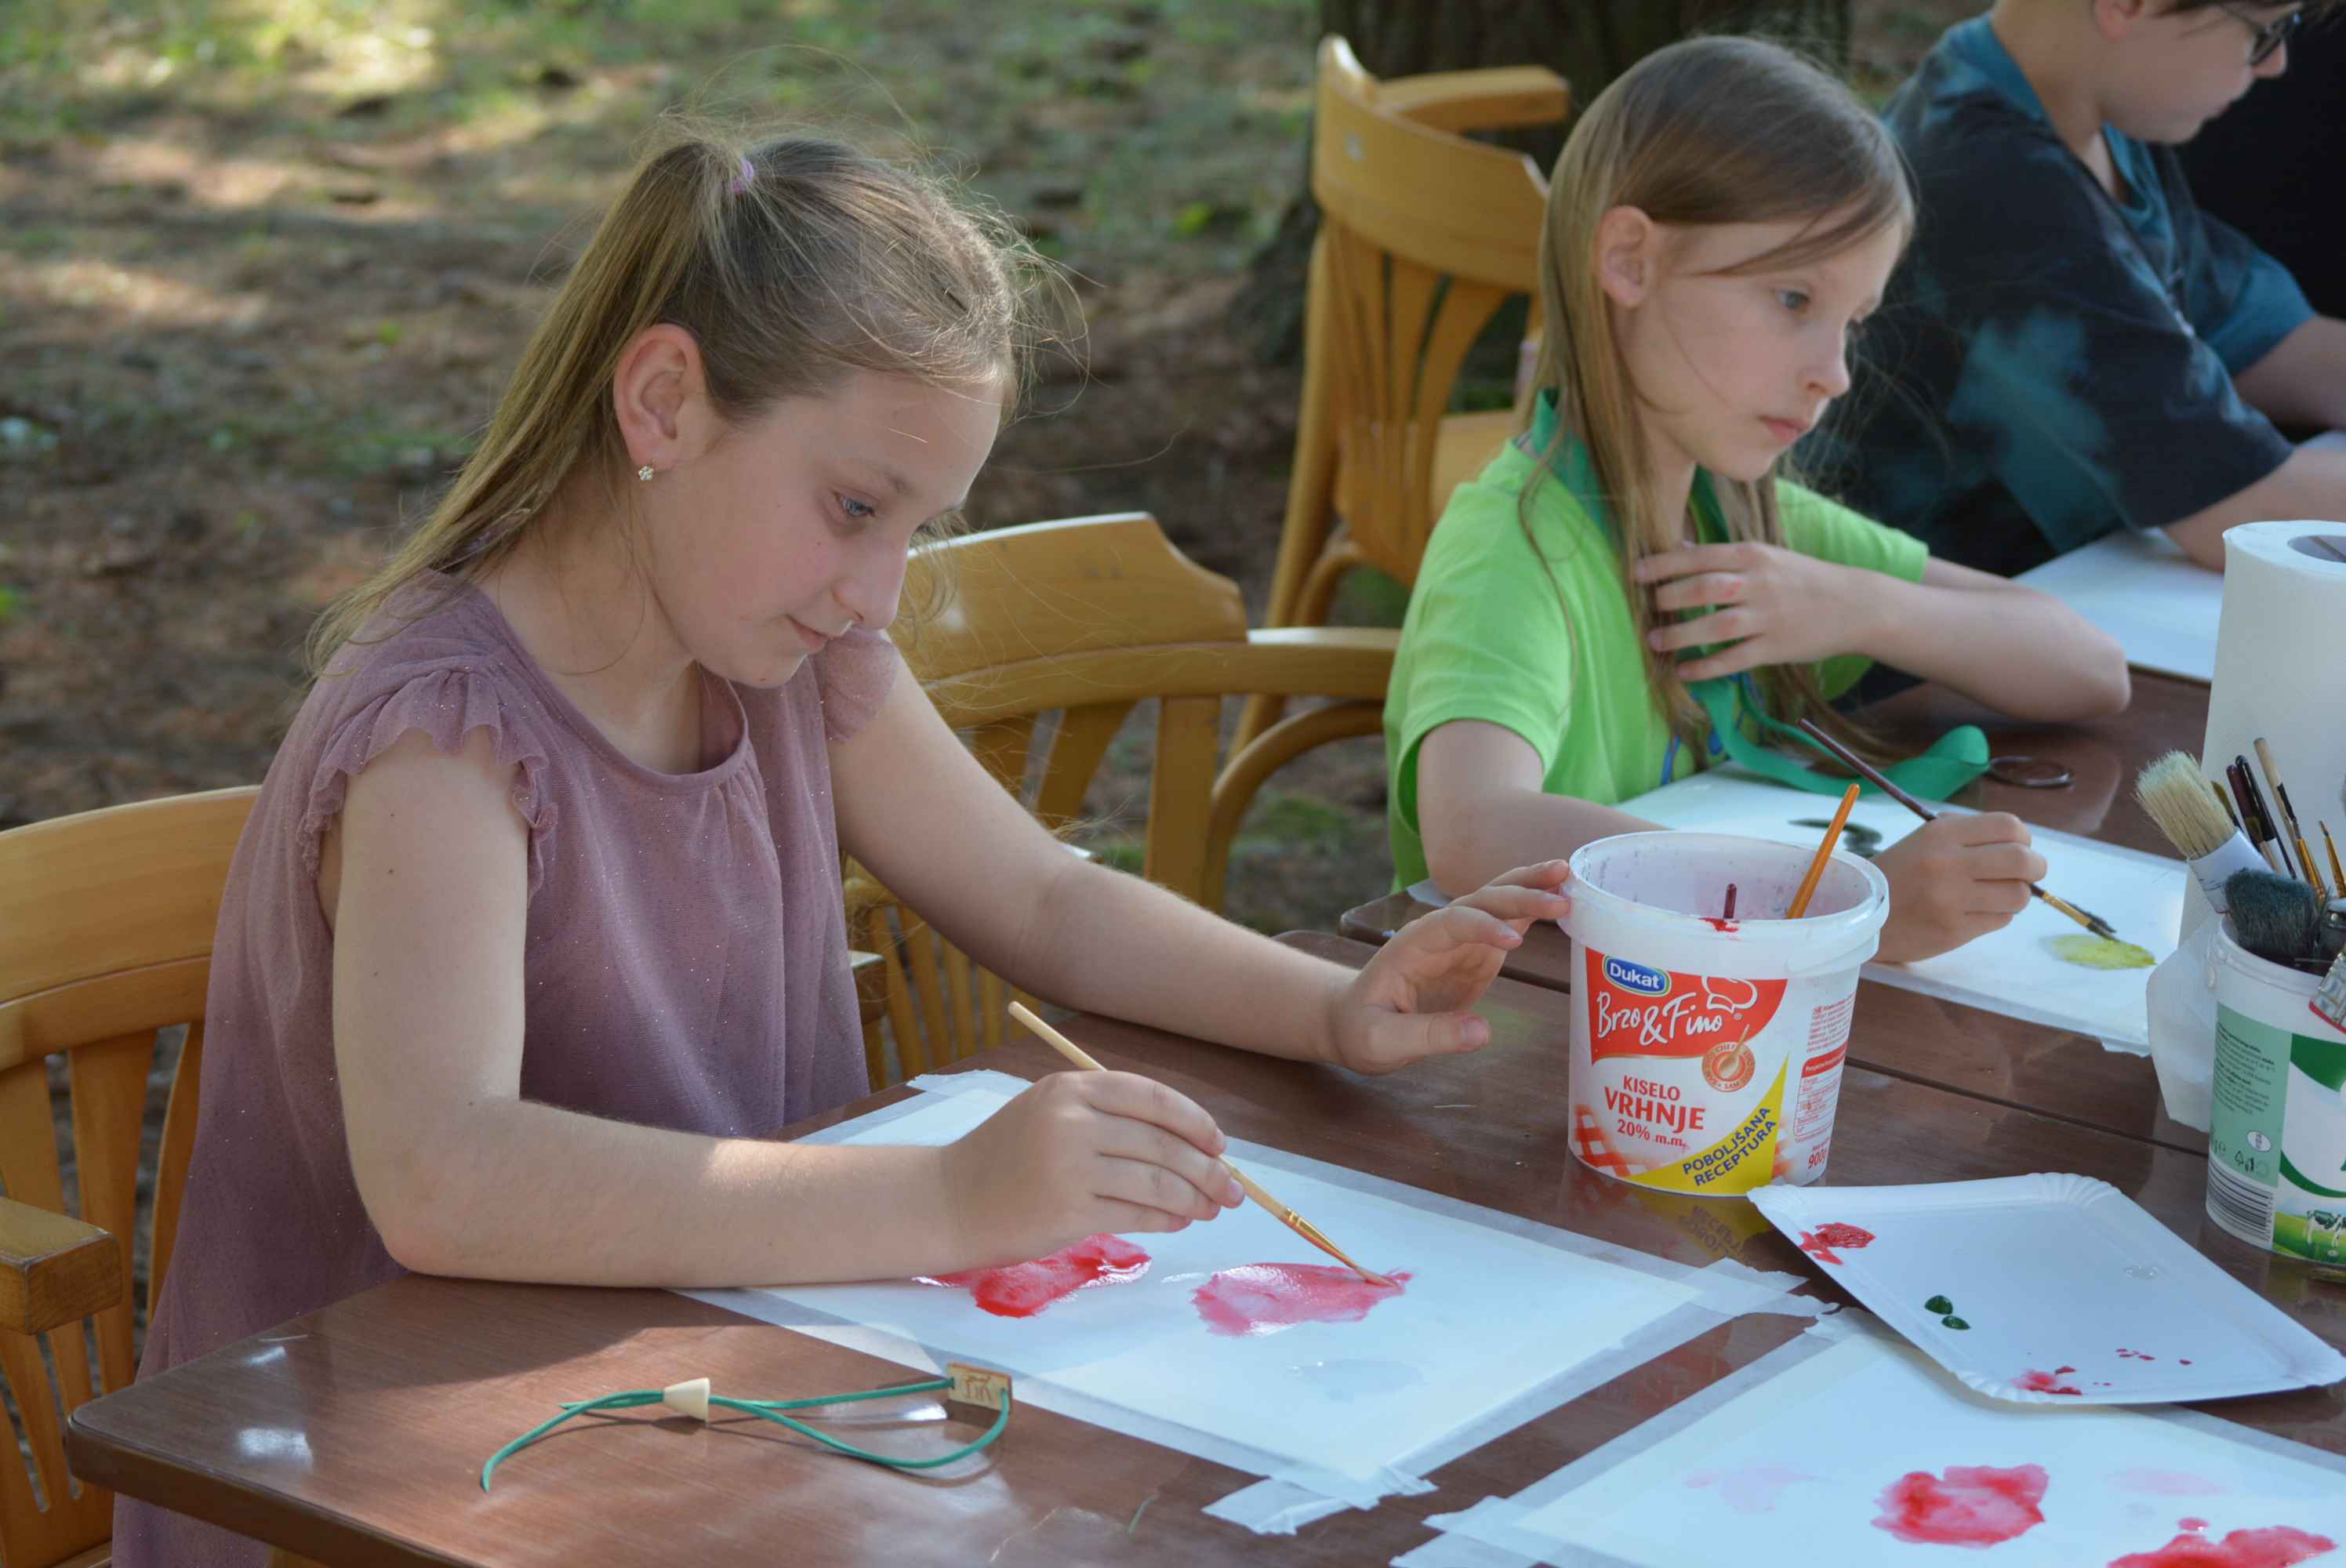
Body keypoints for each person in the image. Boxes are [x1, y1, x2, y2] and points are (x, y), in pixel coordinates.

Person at [120, 128, 1566, 1567]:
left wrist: (1329, 1003)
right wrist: (949, 1199)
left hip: (726, 1407)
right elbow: (445, 1178)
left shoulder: (786, 656)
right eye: (857, 510)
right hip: (391, 1490)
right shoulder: (446, 740)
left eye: (918, 530)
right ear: (665, 403)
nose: (877, 596)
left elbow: (1046, 900)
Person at [1385, 37, 2131, 970]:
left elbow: (2090, 668)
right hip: (1531, 1056)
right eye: (1791, 299)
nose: (1833, 374)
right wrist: (1833, 905)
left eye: (1852, 322)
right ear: (1628, 259)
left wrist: (1853, 603)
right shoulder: (1519, 544)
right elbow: (1474, 824)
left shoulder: (1735, 514)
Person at [1804, 1, 2346, 575]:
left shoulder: (2089, 117)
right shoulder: (1989, 182)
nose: (2277, 65)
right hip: (1934, 640)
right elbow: (2242, 509)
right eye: (2263, 33)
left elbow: (2267, 342)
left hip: (2073, 601)